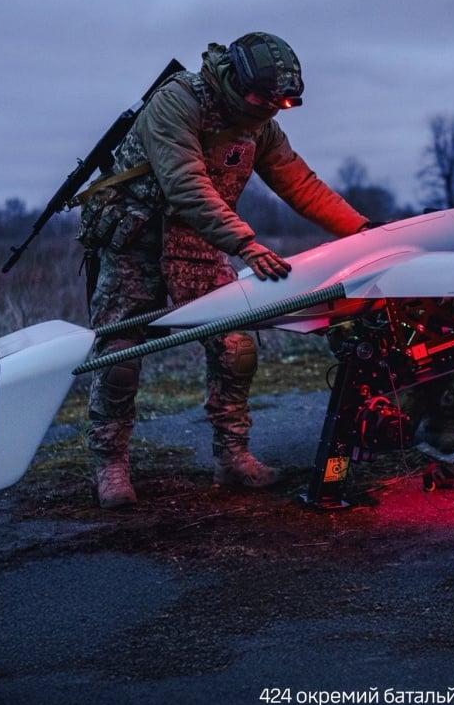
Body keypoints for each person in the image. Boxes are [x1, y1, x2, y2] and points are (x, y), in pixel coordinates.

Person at [78, 32, 370, 508]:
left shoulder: (262, 126)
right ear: (235, 79)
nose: (270, 109)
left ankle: (232, 456)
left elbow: (300, 183)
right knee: (120, 356)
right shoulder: (178, 103)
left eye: (281, 102)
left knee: (235, 347)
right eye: (263, 97)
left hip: (196, 243)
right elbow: (185, 184)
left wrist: (362, 229)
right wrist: (246, 244)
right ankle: (110, 465)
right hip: (135, 241)